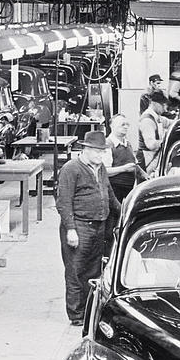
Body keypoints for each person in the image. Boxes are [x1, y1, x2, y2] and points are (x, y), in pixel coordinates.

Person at [56, 130, 120, 326]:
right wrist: (71, 230)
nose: (102, 156)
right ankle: (76, 315)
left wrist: (123, 211)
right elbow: (64, 202)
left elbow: (109, 194)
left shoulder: (99, 169)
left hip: (99, 226)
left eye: (103, 152)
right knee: (76, 270)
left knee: (93, 270)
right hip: (80, 227)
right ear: (86, 149)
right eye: (99, 152)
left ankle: (89, 311)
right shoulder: (71, 169)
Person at [103, 114, 148, 201]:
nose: (126, 127)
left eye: (127, 124)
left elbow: (134, 165)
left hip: (128, 189)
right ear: (112, 126)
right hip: (114, 191)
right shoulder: (108, 145)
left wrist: (145, 175)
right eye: (122, 124)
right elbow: (104, 171)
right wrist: (124, 169)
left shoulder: (127, 143)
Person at [137, 91, 170, 175]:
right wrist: (167, 140)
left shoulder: (157, 117)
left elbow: (169, 123)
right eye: (163, 105)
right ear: (154, 103)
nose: (165, 109)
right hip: (147, 159)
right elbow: (151, 145)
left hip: (153, 158)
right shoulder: (147, 120)